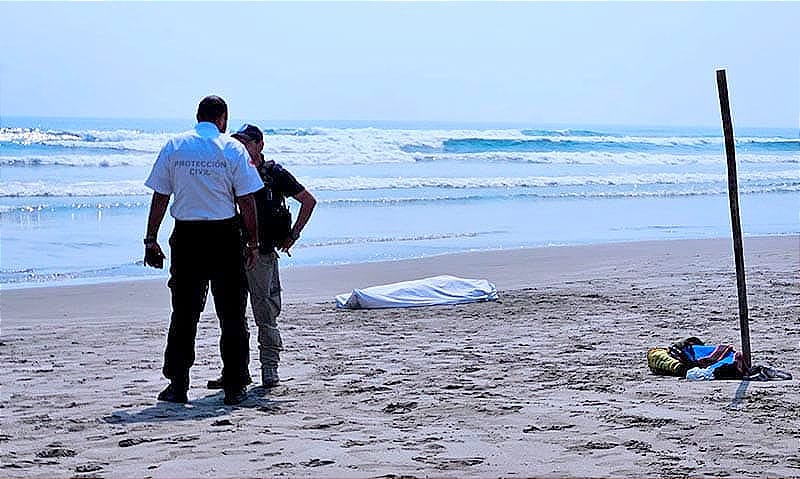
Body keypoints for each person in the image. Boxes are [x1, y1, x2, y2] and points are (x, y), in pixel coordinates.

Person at [143, 96, 264, 406]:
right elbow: (247, 201)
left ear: (198, 116)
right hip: (224, 235)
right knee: (232, 313)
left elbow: (161, 196)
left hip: (187, 236)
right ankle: (235, 383)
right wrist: (252, 243)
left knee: (184, 312)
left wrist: (151, 239)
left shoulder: (175, 145)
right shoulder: (233, 148)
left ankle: (178, 384)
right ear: (222, 119)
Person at [208, 123, 316, 389]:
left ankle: (269, 367)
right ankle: (235, 371)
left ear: (259, 145)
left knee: (265, 313)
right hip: (233, 251)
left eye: (247, 141)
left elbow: (308, 201)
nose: (242, 146)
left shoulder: (274, 174)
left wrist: (293, 235)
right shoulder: (232, 170)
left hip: (264, 253)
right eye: (239, 141)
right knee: (232, 316)